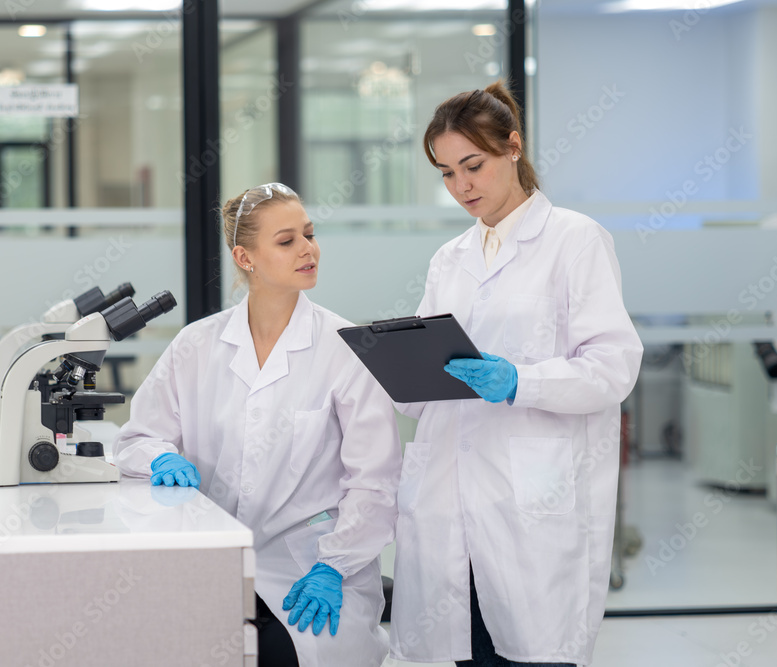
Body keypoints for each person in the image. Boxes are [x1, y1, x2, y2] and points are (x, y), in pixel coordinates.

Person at [388, 81, 643, 667]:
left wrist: (520, 382)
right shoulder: (449, 258)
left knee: (529, 652)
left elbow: (613, 367)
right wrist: (404, 374)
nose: (461, 187)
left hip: (531, 506)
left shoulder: (574, 240)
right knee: (461, 648)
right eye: (447, 173)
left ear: (513, 146)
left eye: (472, 165)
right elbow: (430, 373)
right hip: (448, 502)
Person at [113, 183, 401, 667]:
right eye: (287, 241)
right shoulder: (197, 345)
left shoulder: (347, 347)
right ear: (245, 258)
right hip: (213, 560)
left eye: (309, 234)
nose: (309, 249)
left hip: (311, 564)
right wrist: (159, 455)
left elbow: (375, 481)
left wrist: (335, 565)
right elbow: (139, 435)